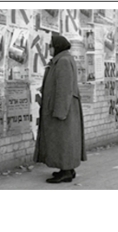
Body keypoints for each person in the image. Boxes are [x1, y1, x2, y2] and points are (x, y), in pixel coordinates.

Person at [33, 35, 87, 184]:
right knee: (64, 140)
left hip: (63, 110)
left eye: (50, 45)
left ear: (57, 47)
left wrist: (60, 112)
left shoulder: (63, 61)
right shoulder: (62, 60)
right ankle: (67, 169)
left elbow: (64, 89)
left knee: (63, 140)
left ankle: (66, 171)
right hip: (64, 109)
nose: (49, 48)